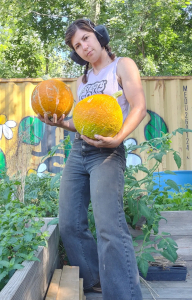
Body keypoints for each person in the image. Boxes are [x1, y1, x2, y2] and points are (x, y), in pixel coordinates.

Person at [37, 18, 146, 300]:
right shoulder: (82, 80)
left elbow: (139, 106)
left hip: (107, 153)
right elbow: (82, 122)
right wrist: (61, 123)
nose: (84, 46)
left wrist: (120, 136)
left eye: (86, 38)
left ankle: (125, 295)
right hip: (78, 152)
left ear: (98, 36)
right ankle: (96, 279)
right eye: (77, 45)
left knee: (109, 226)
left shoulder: (122, 65)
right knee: (70, 222)